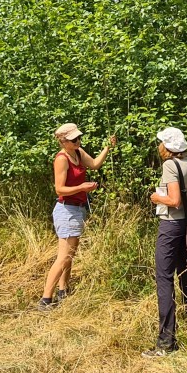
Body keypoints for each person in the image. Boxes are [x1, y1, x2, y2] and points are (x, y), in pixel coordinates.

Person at [37, 122, 116, 311]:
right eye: (74, 139)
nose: (78, 141)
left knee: (70, 255)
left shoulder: (78, 153)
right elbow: (59, 189)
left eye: (79, 137)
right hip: (66, 210)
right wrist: (82, 187)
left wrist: (108, 147)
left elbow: (95, 164)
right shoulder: (62, 158)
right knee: (63, 257)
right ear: (63, 141)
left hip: (78, 209)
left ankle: (63, 290)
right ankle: (46, 299)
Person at [143, 126, 187, 358]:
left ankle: (166, 342)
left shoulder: (169, 165)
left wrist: (157, 198)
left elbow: (174, 200)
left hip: (171, 225)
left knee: (164, 278)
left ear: (167, 147)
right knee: (185, 270)